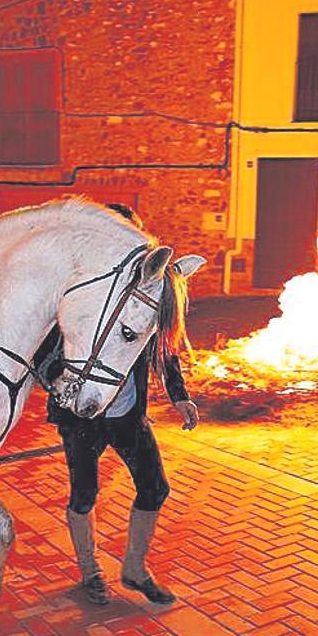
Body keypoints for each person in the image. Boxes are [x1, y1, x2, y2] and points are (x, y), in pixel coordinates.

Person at [45, 204, 200, 607]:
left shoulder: (140, 296)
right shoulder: (82, 297)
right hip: (82, 418)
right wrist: (57, 382)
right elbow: (45, 350)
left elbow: (161, 347)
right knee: (84, 495)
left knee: (155, 487)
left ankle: (134, 569)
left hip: (127, 415)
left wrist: (179, 395)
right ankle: (90, 572)